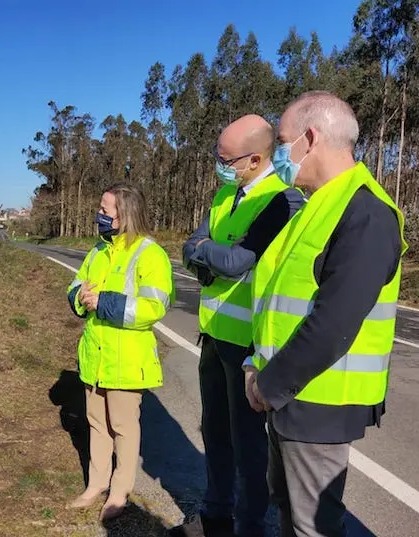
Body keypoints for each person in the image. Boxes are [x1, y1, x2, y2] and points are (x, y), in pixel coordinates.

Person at [243, 91, 406, 537]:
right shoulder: (313, 207)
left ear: (309, 139)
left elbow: (333, 325)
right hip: (285, 393)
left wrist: (268, 383)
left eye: (281, 141)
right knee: (289, 513)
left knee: (312, 526)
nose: (277, 152)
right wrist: (252, 365)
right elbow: (276, 304)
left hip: (317, 403)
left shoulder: (365, 213)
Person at [172, 115, 305, 537]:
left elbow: (238, 261)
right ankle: (215, 514)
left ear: (254, 158)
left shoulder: (281, 200)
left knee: (248, 446)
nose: (219, 163)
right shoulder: (226, 193)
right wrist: (207, 252)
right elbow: (189, 248)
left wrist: (207, 252)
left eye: (225, 158)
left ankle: (248, 525)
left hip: (247, 343)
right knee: (214, 431)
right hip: (212, 335)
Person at [65, 183, 176, 521]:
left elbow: (155, 307)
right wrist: (79, 296)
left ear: (124, 215)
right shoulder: (98, 251)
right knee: (96, 423)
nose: (99, 214)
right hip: (95, 356)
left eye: (105, 209)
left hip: (127, 359)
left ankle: (119, 491)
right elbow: (74, 285)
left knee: (124, 428)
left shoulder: (150, 254)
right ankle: (96, 483)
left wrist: (105, 302)